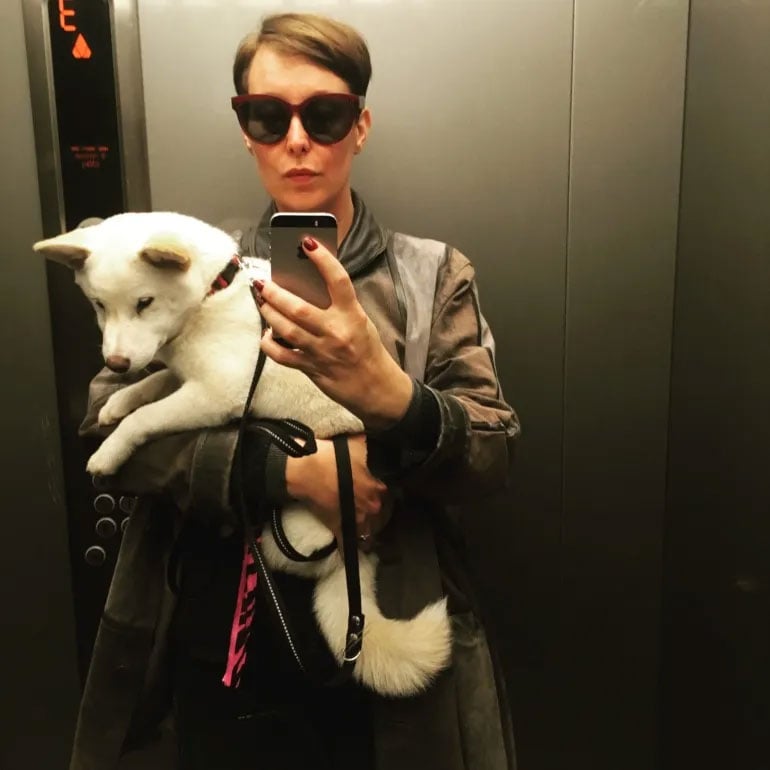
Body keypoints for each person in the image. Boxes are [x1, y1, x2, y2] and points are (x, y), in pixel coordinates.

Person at [70, 12, 520, 770]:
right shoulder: (192, 264)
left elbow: (492, 455)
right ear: (245, 132)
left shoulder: (431, 276)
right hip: (215, 643)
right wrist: (281, 471)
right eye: (269, 116)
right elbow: (102, 425)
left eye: (326, 114)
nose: (298, 140)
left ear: (360, 126)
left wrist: (388, 395)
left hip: (377, 646)